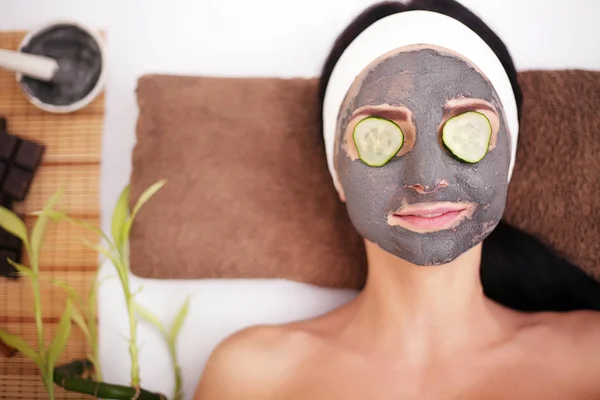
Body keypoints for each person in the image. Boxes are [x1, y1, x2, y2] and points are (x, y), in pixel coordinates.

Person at [194, 1, 600, 398]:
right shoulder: (252, 376)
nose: (426, 178)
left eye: (466, 130)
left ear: (507, 163)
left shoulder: (590, 359)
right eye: (380, 136)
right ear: (338, 171)